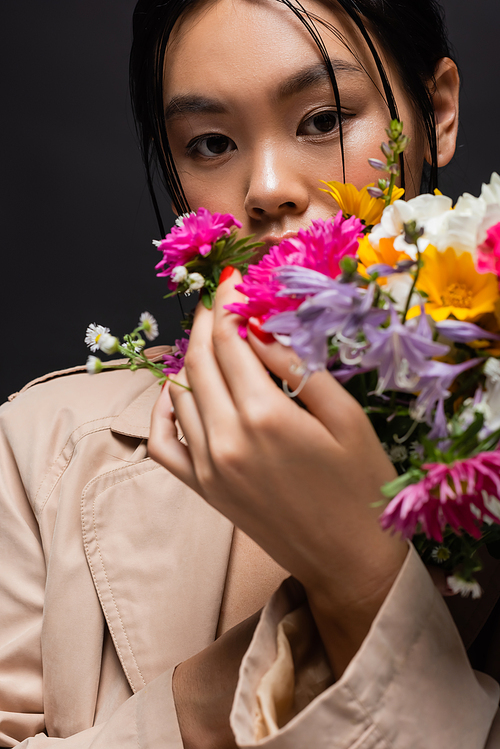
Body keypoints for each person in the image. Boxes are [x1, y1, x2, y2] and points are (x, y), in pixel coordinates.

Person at [1, 0, 499, 747]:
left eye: (323, 120)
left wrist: (362, 576)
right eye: (209, 142)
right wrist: (210, 699)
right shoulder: (40, 448)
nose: (267, 188)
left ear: (437, 111)